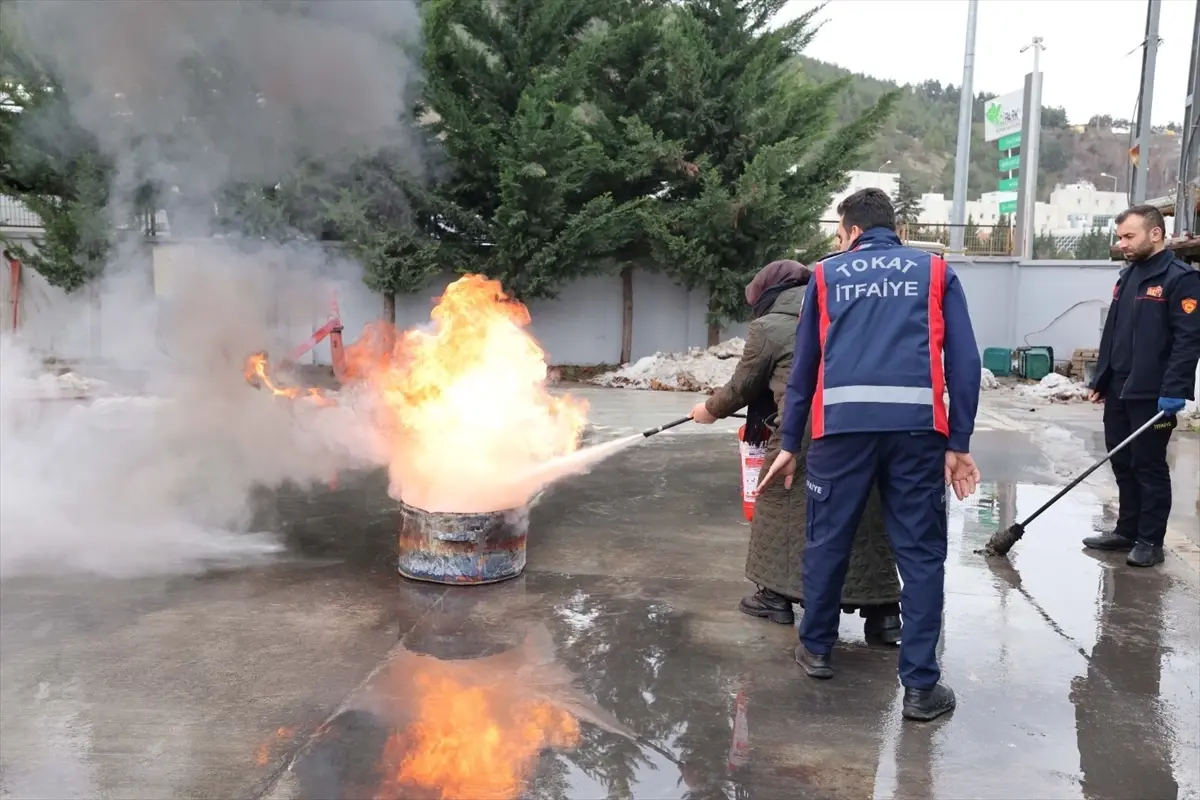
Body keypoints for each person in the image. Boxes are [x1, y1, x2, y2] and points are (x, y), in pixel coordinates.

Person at [758, 187, 982, 723]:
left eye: (839, 233)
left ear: (852, 231)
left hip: (840, 433)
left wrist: (790, 443)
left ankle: (816, 649)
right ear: (896, 230)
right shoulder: (935, 272)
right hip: (916, 433)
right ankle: (922, 689)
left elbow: (805, 370)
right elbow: (966, 364)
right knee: (922, 555)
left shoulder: (826, 275)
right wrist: (959, 443)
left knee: (828, 539)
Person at [689, 259, 903, 644]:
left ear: (767, 295)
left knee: (778, 503)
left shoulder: (770, 327)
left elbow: (743, 386)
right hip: (864, 424)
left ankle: (775, 597)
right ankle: (883, 611)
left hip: (800, 432)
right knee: (866, 512)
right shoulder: (846, 308)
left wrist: (708, 410)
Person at [1083, 205, 1200, 567]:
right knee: (1122, 461)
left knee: (1148, 465)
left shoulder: (1179, 279)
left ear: (1155, 234)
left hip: (1154, 392)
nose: (1122, 244)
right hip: (1120, 387)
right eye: (1120, 238)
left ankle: (1151, 540)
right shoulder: (1127, 277)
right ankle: (1126, 530)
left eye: (1129, 236)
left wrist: (1175, 390)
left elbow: (1188, 339)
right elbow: (1113, 333)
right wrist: (1102, 378)